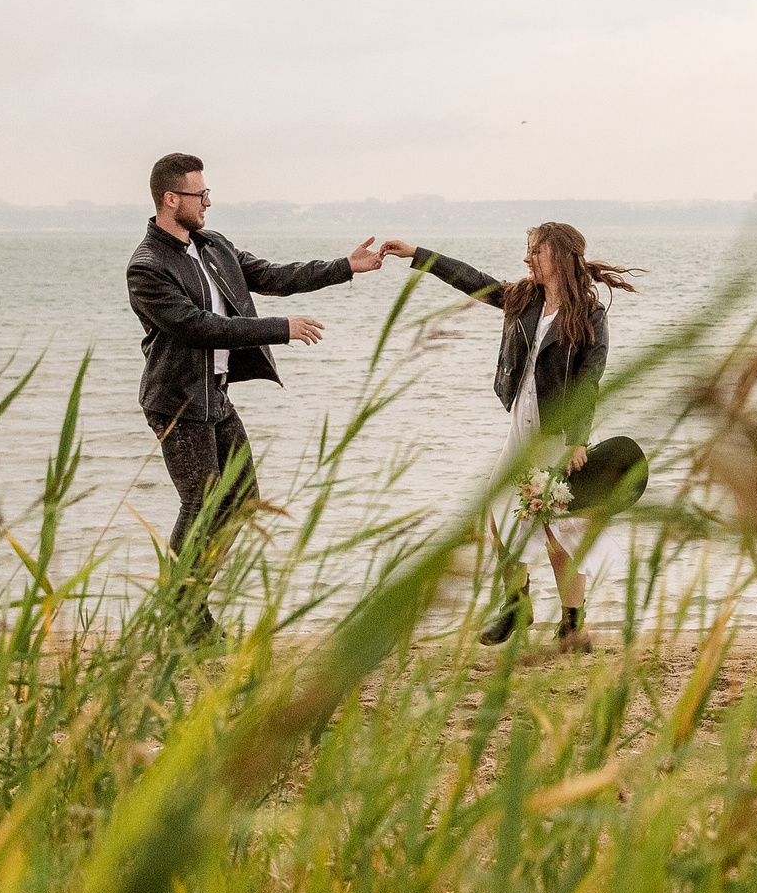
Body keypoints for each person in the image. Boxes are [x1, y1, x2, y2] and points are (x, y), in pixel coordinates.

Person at [126, 152, 385, 626]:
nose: (208, 202)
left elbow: (272, 276)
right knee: (201, 505)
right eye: (200, 194)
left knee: (242, 498)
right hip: (177, 401)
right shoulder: (146, 267)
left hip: (215, 396)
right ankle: (183, 614)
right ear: (170, 199)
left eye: (206, 192)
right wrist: (279, 328)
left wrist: (344, 266)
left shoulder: (212, 246)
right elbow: (198, 327)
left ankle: (187, 604)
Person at [380, 223, 644, 649]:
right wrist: (417, 254)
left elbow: (589, 380)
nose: (527, 258)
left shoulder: (589, 316)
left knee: (558, 530)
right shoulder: (522, 299)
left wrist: (578, 440)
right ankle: (517, 606)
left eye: (536, 251)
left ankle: (572, 624)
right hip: (521, 425)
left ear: (560, 257)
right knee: (500, 514)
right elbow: (471, 279)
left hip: (557, 433)